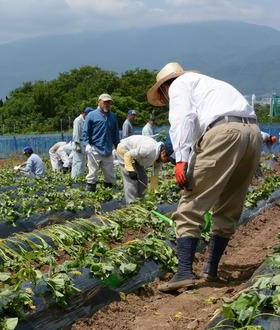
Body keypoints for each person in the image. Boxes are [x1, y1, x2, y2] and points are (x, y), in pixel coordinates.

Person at [147, 62, 261, 292]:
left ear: (164, 89)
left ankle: (184, 273)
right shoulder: (211, 85)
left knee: (191, 202)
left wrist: (181, 160)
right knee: (230, 204)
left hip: (224, 133)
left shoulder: (178, 85)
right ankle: (210, 269)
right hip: (253, 134)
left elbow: (183, 120)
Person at [115, 135, 171, 203]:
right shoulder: (149, 149)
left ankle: (141, 200)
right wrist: (130, 170)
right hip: (124, 150)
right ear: (163, 153)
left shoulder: (159, 158)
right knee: (131, 181)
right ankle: (131, 204)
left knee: (143, 178)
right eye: (168, 160)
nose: (168, 162)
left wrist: (156, 191)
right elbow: (128, 155)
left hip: (136, 156)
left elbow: (154, 175)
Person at [83, 93, 120, 192]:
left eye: (109, 102)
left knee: (110, 174)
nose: (107, 104)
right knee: (92, 173)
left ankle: (109, 195)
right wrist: (87, 144)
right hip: (94, 148)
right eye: (105, 102)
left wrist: (117, 146)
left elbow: (116, 133)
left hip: (108, 149)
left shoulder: (113, 116)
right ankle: (91, 193)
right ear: (99, 102)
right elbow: (85, 131)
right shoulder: (91, 115)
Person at [71, 107, 93, 178]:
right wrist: (77, 145)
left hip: (83, 143)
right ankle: (75, 179)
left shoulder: (85, 120)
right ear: (85, 113)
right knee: (78, 162)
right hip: (78, 143)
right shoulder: (78, 120)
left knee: (83, 163)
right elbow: (75, 133)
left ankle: (80, 178)